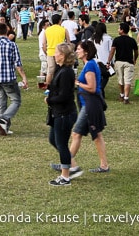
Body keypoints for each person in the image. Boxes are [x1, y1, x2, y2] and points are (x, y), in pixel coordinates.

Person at [56, 40, 110, 178]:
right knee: (95, 135)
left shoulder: (90, 65)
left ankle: (67, 163)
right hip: (89, 104)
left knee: (76, 134)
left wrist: (77, 83)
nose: (77, 51)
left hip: (90, 105)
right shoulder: (89, 64)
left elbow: (92, 88)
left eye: (79, 49)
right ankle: (103, 165)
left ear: (86, 51)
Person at [0, 23, 27, 136]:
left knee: (1, 103)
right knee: (16, 100)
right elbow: (17, 64)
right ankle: (3, 120)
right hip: (9, 78)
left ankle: (3, 128)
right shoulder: (12, 45)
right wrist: (24, 77)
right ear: (7, 31)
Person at [45, 43, 78, 186]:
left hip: (65, 113)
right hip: (58, 112)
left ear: (63, 56)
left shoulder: (66, 72)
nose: (54, 54)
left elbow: (64, 96)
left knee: (62, 144)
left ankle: (65, 176)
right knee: (54, 139)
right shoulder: (61, 69)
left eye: (56, 52)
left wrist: (49, 99)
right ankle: (71, 164)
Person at [108, 22, 139, 104]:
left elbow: (112, 52)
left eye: (119, 28)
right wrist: (134, 59)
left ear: (122, 30)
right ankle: (126, 97)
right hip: (129, 62)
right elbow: (136, 52)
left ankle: (122, 94)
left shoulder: (116, 40)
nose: (118, 30)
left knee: (120, 80)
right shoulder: (132, 40)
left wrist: (108, 61)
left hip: (118, 62)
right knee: (127, 80)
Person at [43, 14, 68, 86]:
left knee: (50, 71)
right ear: (59, 21)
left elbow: (44, 43)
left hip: (50, 52)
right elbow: (68, 42)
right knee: (62, 69)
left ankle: (48, 86)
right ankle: (62, 85)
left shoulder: (47, 30)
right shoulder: (64, 29)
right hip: (61, 52)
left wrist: (46, 52)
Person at [92, 22, 113, 98]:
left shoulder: (94, 38)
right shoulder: (108, 38)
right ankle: (100, 89)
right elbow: (111, 50)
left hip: (97, 60)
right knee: (106, 76)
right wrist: (110, 61)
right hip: (106, 60)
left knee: (100, 75)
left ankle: (101, 91)